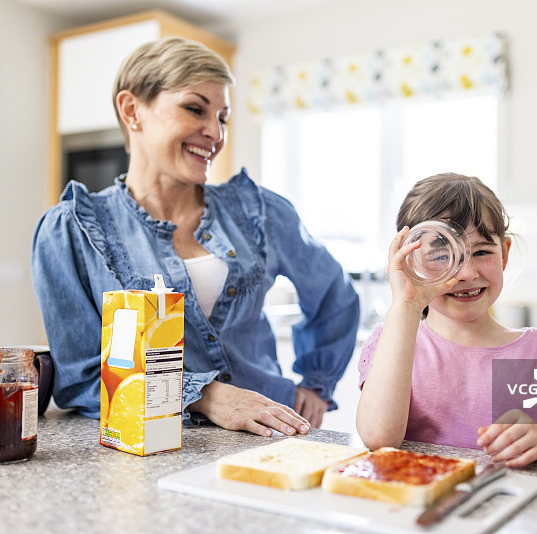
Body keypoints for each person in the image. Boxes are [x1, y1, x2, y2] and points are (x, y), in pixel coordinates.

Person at [31, 37, 360, 437]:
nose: (215, 133)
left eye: (222, 117)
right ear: (132, 110)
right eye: (194, 109)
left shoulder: (258, 210)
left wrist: (317, 382)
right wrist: (208, 396)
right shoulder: (71, 230)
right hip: (149, 443)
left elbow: (334, 296)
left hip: (273, 437)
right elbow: (80, 377)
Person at [355, 173, 537, 467]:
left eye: (482, 252)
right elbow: (378, 438)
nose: (467, 273)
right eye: (442, 255)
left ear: (504, 254)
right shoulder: (392, 344)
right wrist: (407, 304)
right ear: (411, 261)